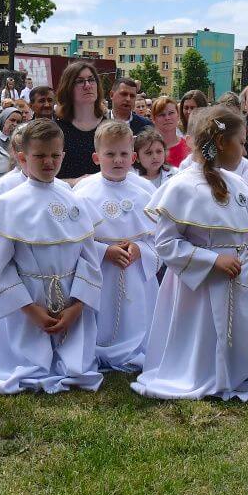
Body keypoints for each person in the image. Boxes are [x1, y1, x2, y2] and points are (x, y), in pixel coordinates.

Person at [133, 108, 248, 401]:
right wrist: (212, 260)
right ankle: (204, 371)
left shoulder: (236, 183)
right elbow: (166, 243)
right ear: (220, 142)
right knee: (207, 339)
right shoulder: (182, 186)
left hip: (240, 280)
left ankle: (241, 368)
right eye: (240, 142)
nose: (245, 148)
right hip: (202, 288)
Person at [0, 118, 106, 393]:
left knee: (74, 364)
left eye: (55, 155)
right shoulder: (8, 204)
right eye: (40, 156)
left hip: (70, 299)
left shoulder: (75, 200)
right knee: (26, 363)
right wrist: (30, 310)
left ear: (63, 156)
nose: (49, 162)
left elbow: (89, 261)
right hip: (27, 304)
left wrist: (76, 307)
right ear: (23, 158)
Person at [73, 121, 158, 372]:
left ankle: (140, 346)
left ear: (133, 157)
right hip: (102, 271)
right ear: (97, 157)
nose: (118, 160)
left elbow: (159, 237)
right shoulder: (83, 192)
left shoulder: (146, 190)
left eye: (123, 154)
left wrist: (140, 249)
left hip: (136, 269)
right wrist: (104, 252)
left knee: (138, 312)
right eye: (110, 154)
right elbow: (75, 239)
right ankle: (101, 346)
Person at [54, 61, 106, 182]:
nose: (87, 85)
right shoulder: (56, 130)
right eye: (80, 81)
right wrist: (75, 182)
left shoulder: (109, 127)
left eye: (91, 80)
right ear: (68, 88)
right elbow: (44, 177)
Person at [151, 96, 190, 167]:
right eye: (162, 115)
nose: (167, 118)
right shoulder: (147, 148)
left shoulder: (189, 147)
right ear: (153, 119)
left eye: (171, 113)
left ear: (178, 116)